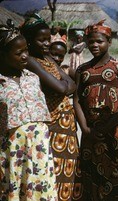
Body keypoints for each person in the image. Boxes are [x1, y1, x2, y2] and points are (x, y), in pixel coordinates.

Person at [20, 13, 81, 201]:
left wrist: (65, 86)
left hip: (66, 124)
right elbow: (62, 86)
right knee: (54, 173)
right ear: (29, 41)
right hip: (52, 124)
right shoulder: (31, 61)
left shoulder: (47, 58)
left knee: (69, 172)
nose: (47, 44)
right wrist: (64, 86)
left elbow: (71, 84)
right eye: (41, 40)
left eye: (48, 39)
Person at [73, 19, 118, 200]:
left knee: (115, 174)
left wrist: (109, 124)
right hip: (90, 133)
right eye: (91, 42)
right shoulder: (82, 70)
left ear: (109, 42)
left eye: (99, 41)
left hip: (113, 130)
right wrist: (85, 128)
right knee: (90, 176)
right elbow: (77, 100)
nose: (95, 45)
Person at [0, 20, 57, 200]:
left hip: (39, 148)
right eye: (19, 53)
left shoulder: (32, 77)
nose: (26, 56)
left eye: (26, 50)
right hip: (13, 151)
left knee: (40, 192)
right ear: (2, 55)